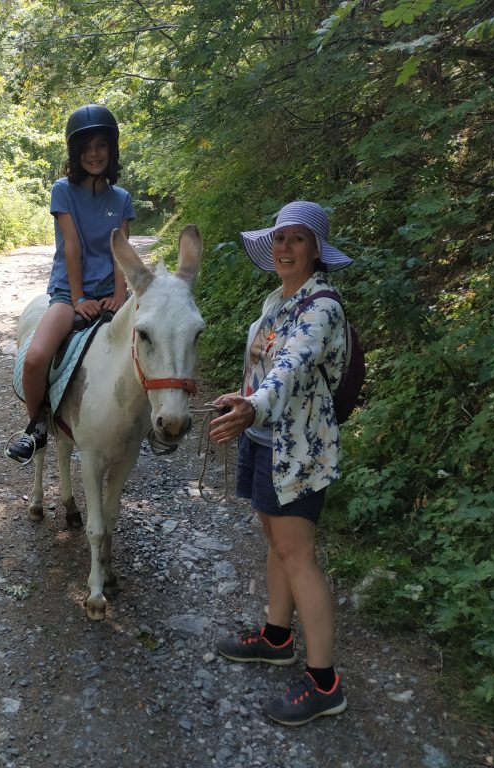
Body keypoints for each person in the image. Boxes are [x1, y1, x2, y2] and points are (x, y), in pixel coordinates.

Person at [209, 200, 353, 726]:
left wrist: (256, 405)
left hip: (300, 448)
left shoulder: (322, 307)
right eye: (280, 238)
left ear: (316, 249)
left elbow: (291, 369)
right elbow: (265, 364)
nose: (285, 247)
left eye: (297, 239)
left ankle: (325, 682)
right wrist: (242, 396)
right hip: (265, 438)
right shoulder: (277, 300)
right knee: (276, 542)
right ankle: (276, 637)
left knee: (299, 556)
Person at [5, 104, 135, 463]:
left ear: (111, 150)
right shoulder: (62, 190)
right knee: (35, 359)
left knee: (151, 345)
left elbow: (120, 251)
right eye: (86, 148)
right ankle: (37, 426)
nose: (94, 154)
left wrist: (120, 295)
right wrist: (77, 299)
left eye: (101, 146)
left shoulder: (121, 199)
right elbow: (73, 245)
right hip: (68, 292)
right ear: (75, 153)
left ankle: (148, 423)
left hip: (112, 293)